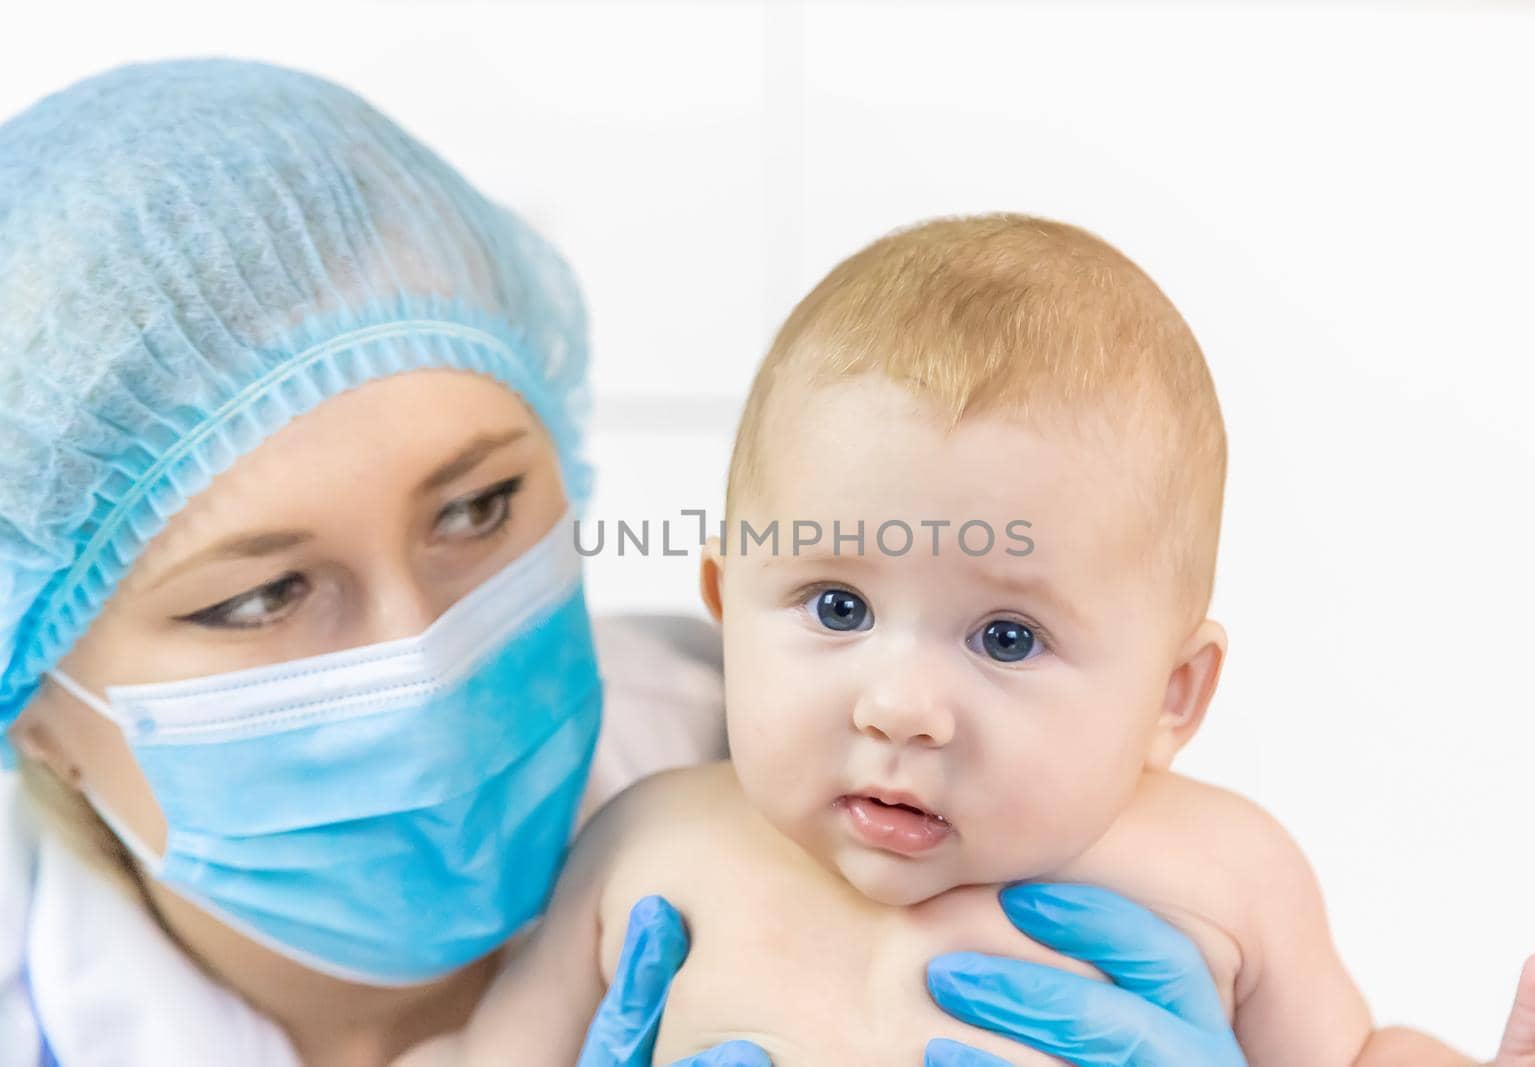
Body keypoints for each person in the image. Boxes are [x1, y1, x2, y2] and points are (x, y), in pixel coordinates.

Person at [0, 57, 1401, 1067]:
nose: (422, 644)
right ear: (40, 704)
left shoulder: (1141, 843)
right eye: (259, 593)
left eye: (479, 505)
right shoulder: (664, 851)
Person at [394, 215, 1535, 1067]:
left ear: (1173, 697)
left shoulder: (1221, 874)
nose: (901, 705)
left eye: (1008, 635)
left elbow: (1355, 1052)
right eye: (837, 606)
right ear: (723, 598)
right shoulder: (652, 842)